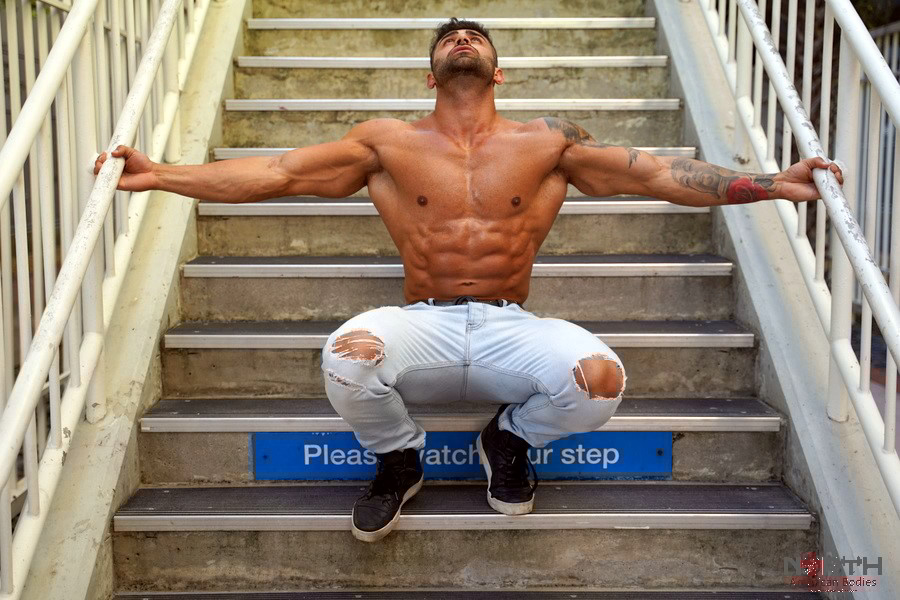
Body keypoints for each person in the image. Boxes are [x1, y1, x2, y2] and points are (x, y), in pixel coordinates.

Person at [95, 18, 843, 543]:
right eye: (450, 38)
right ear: (431, 74)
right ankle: (398, 457)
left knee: (602, 381)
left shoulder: (548, 142)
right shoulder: (385, 143)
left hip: (509, 322)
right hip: (420, 319)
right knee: (347, 355)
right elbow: (277, 173)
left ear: (497, 70)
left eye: (476, 36)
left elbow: (654, 173)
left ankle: (509, 438)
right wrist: (159, 176)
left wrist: (771, 184)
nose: (463, 39)